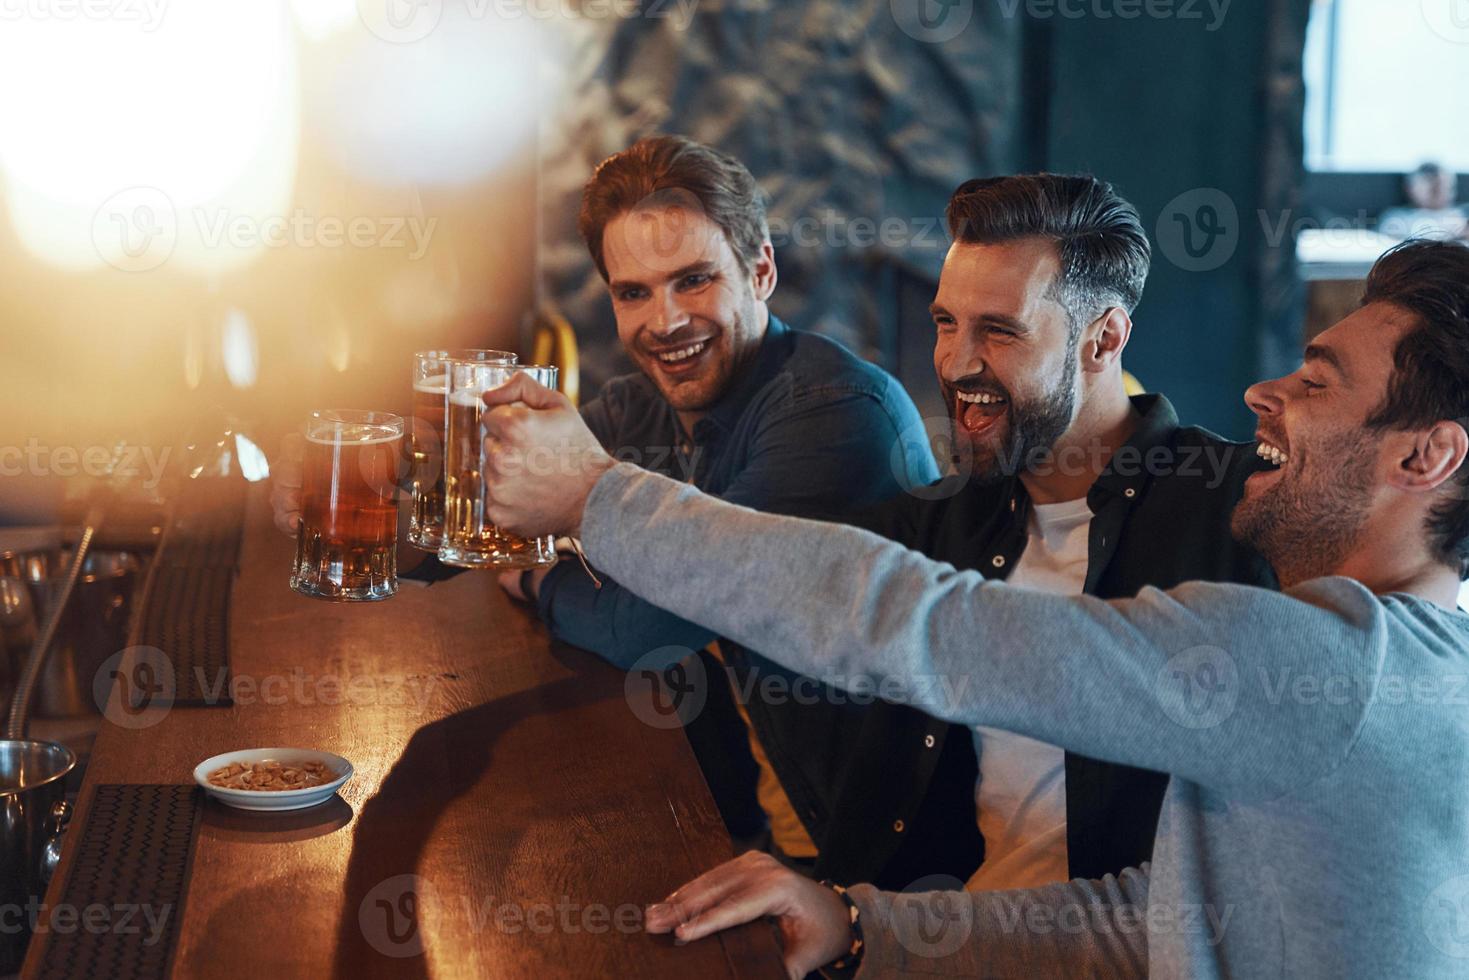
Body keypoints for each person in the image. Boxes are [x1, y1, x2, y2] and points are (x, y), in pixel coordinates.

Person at [474, 238, 1469, 979]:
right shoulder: (1415, 668)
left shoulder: (1328, 671)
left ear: (1425, 455)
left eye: (1315, 380)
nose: (1263, 390)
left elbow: (911, 621)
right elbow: (1163, 924)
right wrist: (862, 926)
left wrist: (596, 494)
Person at [271, 134, 940, 860]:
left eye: (693, 280)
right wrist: (378, 501)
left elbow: (639, 632)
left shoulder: (833, 415)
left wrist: (533, 575)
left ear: (761, 270)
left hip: (875, 859)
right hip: (759, 814)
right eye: (633, 292)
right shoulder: (635, 411)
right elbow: (484, 531)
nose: (665, 321)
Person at [796, 174, 1272, 894]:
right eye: (944, 322)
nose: (955, 363)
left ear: (1103, 338)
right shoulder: (934, 525)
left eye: (997, 330)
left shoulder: (1241, 509)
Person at [1379, 163, 1467, 241]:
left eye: (1444, 187)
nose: (1438, 191)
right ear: (1409, 188)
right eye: (1432, 189)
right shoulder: (1396, 218)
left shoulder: (1464, 216)